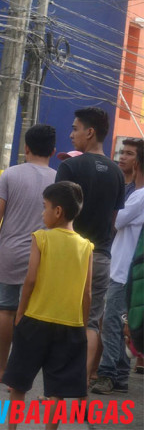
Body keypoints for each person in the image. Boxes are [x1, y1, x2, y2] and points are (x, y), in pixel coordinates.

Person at [3, 181, 93, 429]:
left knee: (19, 385)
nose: (42, 213)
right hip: (70, 325)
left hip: (36, 320)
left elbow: (30, 279)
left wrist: (20, 313)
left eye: (44, 207)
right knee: (57, 389)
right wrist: (82, 324)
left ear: (58, 211)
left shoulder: (41, 238)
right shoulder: (86, 247)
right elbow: (87, 292)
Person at [0, 124, 57, 383]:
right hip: (44, 257)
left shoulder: (10, 174)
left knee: (6, 311)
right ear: (54, 150)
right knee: (34, 317)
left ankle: (2, 369)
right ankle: (24, 373)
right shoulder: (59, 179)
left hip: (10, 253)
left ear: (26, 148)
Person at [55, 107, 126, 382]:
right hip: (101, 257)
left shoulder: (70, 166)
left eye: (75, 128)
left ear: (90, 132)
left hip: (69, 255)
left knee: (62, 320)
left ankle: (58, 384)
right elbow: (114, 219)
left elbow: (57, 214)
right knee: (91, 322)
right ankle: (81, 384)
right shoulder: (117, 173)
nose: (71, 134)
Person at [92, 139, 144, 395]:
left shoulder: (139, 196)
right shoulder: (135, 193)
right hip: (123, 270)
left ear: (138, 162)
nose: (123, 157)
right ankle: (120, 374)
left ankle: (108, 374)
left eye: (129, 154)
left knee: (111, 324)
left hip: (124, 272)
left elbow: (115, 220)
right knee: (114, 323)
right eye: (122, 152)